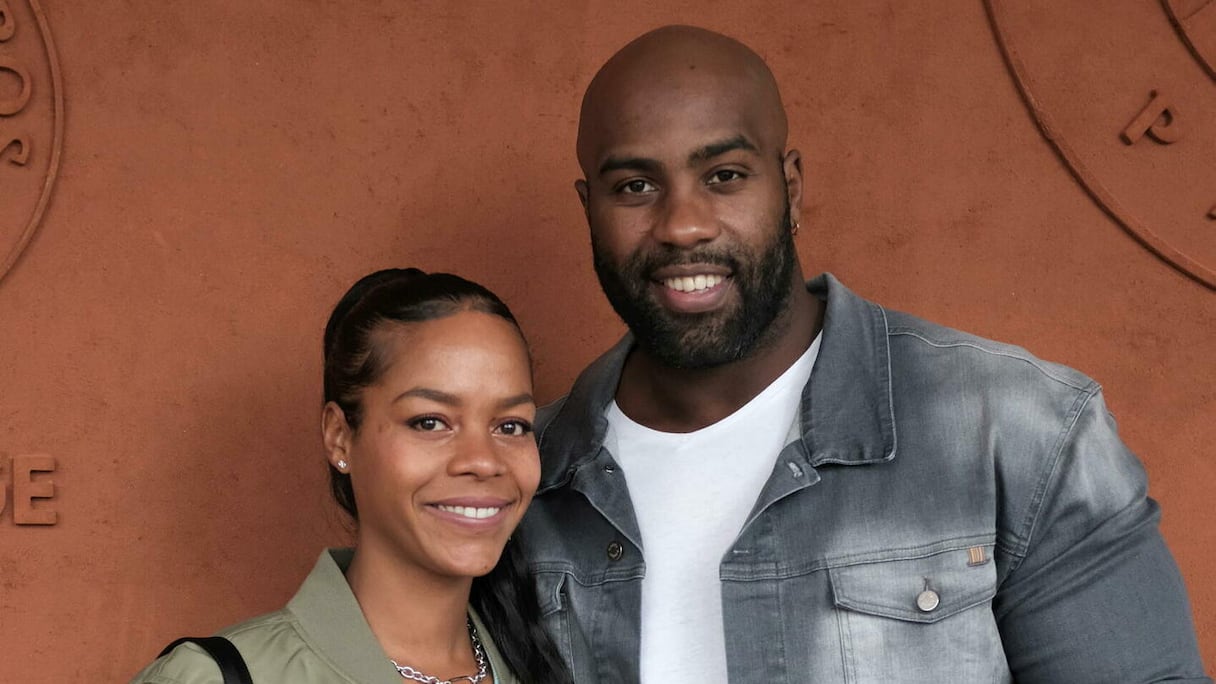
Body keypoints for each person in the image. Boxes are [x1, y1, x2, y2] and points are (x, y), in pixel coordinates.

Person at [517, 25, 1211, 683]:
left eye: (724, 175)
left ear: (790, 188)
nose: (683, 224)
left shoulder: (1017, 433)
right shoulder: (515, 480)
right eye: (635, 186)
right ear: (589, 209)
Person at [133, 268, 571, 684]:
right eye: (430, 422)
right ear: (340, 437)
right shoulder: (210, 677)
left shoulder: (550, 663)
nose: (483, 460)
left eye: (510, 426)